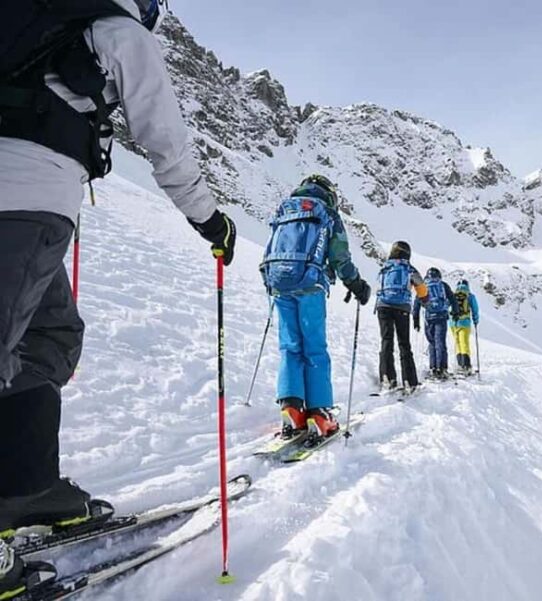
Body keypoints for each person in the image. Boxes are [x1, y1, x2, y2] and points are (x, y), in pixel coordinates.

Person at [1, 0, 236, 592]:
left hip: (34, 201)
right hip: (27, 200)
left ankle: (25, 488)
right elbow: (166, 142)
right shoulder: (116, 29)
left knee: (50, 335)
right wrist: (211, 222)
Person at [260, 175, 370, 440]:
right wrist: (356, 283)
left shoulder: (287, 209)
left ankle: (292, 408)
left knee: (290, 347)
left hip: (279, 282)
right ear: (330, 193)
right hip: (310, 283)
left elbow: (271, 248)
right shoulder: (326, 212)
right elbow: (339, 255)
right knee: (314, 347)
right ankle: (320, 414)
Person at [375, 241, 428, 391]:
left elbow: (379, 286)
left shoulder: (385, 267)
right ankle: (409, 381)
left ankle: (387, 377)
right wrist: (425, 300)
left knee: (386, 341)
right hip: (402, 308)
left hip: (383, 306)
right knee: (404, 343)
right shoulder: (409, 268)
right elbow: (422, 290)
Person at [413, 268, 460, 380]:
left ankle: (433, 368)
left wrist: (415, 319)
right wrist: (455, 312)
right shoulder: (443, 285)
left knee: (432, 342)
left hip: (429, 318)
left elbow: (417, 303)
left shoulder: (424, 285)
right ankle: (442, 368)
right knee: (440, 342)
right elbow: (453, 299)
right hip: (442, 317)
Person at [450, 280, 480, 375]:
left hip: (453, 323)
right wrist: (475, 320)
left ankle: (460, 365)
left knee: (457, 343)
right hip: (465, 322)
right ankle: (466, 365)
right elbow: (475, 309)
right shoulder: (470, 296)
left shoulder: (453, 295)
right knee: (464, 343)